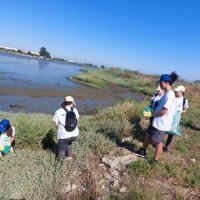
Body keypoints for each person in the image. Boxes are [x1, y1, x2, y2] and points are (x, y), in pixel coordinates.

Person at [135, 72, 179, 164]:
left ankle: (155, 161)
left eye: (161, 82)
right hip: (156, 121)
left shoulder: (170, 95)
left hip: (162, 124)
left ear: (166, 82)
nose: (159, 84)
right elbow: (159, 107)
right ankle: (143, 151)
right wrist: (151, 110)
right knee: (148, 134)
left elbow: (164, 111)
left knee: (157, 142)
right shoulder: (166, 94)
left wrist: (152, 114)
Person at [53, 96, 79, 162]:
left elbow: (56, 124)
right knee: (69, 142)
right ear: (72, 103)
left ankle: (60, 162)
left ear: (64, 103)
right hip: (75, 134)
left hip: (64, 135)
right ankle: (69, 157)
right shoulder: (75, 110)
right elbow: (77, 120)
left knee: (62, 148)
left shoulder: (58, 111)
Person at [163, 85, 188, 152]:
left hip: (176, 119)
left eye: (177, 91)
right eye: (175, 91)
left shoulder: (184, 100)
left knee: (171, 132)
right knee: (164, 130)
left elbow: (185, 109)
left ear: (182, 92)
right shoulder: (173, 97)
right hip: (168, 116)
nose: (175, 92)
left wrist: (181, 111)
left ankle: (166, 146)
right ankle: (158, 143)